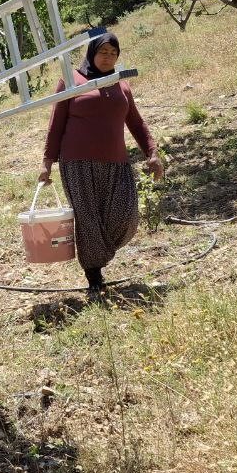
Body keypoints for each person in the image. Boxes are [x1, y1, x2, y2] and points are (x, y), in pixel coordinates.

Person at [38, 31, 164, 298]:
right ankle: (94, 274)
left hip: (116, 162)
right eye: (103, 52)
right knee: (88, 220)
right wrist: (47, 163)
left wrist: (152, 152)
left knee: (126, 217)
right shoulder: (71, 80)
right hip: (77, 164)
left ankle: (98, 254)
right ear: (91, 53)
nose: (108, 58)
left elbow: (137, 123)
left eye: (113, 53)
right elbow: (55, 126)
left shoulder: (121, 84)